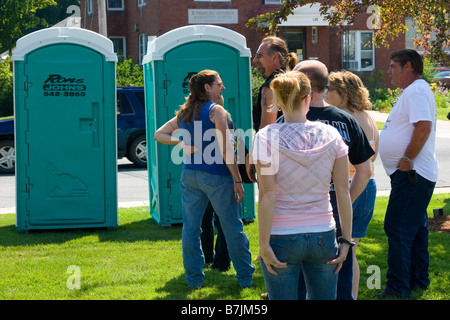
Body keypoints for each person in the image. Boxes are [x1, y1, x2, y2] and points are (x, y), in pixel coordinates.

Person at [252, 71, 353, 300]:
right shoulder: (332, 135)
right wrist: (346, 240)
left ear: (278, 101)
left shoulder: (266, 137)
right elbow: (343, 192)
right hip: (323, 234)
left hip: (281, 234)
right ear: (308, 97)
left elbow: (268, 194)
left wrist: (263, 243)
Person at [154, 70, 255, 288]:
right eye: (219, 84)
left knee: (191, 229)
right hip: (217, 177)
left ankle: (194, 280)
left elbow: (159, 133)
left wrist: (179, 143)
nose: (223, 87)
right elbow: (228, 149)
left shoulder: (187, 111)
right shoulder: (216, 111)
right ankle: (246, 278)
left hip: (190, 175)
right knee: (232, 228)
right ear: (207, 88)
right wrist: (238, 180)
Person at [293, 60, 374, 300]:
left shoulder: (287, 120)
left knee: (298, 278)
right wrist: (345, 200)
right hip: (335, 205)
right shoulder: (346, 120)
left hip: (298, 209)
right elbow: (366, 170)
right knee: (340, 270)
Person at [378, 49, 438, 298]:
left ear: (409, 66)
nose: (390, 71)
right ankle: (417, 280)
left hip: (412, 174)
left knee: (398, 227)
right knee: (414, 228)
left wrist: (407, 159)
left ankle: (397, 288)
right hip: (412, 175)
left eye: (394, 66)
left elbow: (423, 127)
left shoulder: (415, 91)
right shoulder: (414, 91)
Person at [327, 70, 379, 299]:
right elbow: (372, 156)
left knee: (337, 250)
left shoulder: (343, 118)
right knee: (351, 249)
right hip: (369, 185)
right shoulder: (367, 116)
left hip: (349, 185)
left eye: (331, 90)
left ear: (344, 93)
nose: (327, 93)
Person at [252, 36, 299, 132]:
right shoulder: (295, 81)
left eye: (259, 55)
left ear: (274, 57)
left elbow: (266, 130)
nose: (255, 60)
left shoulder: (271, 87)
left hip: (276, 145)